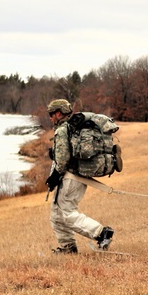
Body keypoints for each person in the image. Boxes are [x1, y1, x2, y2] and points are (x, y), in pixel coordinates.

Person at [44, 99, 114, 254]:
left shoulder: (63, 130)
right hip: (72, 176)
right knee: (56, 214)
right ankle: (68, 248)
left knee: (67, 213)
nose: (50, 118)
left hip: (71, 177)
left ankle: (102, 233)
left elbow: (62, 161)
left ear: (58, 113)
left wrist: (54, 177)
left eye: (51, 114)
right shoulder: (72, 128)